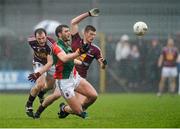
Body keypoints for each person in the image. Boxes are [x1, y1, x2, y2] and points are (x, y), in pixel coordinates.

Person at [57, 8, 107, 118]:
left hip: (80, 79)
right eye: (91, 34)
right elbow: (73, 22)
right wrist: (88, 14)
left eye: (94, 34)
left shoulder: (96, 49)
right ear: (84, 33)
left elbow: (102, 66)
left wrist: (103, 64)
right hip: (67, 76)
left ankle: (65, 109)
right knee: (54, 96)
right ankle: (70, 109)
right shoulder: (76, 40)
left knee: (92, 97)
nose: (93, 37)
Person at [25, 28, 59, 118]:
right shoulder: (31, 40)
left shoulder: (51, 44)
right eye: (39, 39)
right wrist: (39, 73)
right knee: (40, 84)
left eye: (43, 38)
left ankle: (41, 93)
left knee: (50, 86)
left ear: (46, 36)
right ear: (35, 38)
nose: (41, 40)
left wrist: (38, 74)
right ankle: (29, 104)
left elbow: (49, 63)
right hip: (38, 63)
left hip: (51, 64)